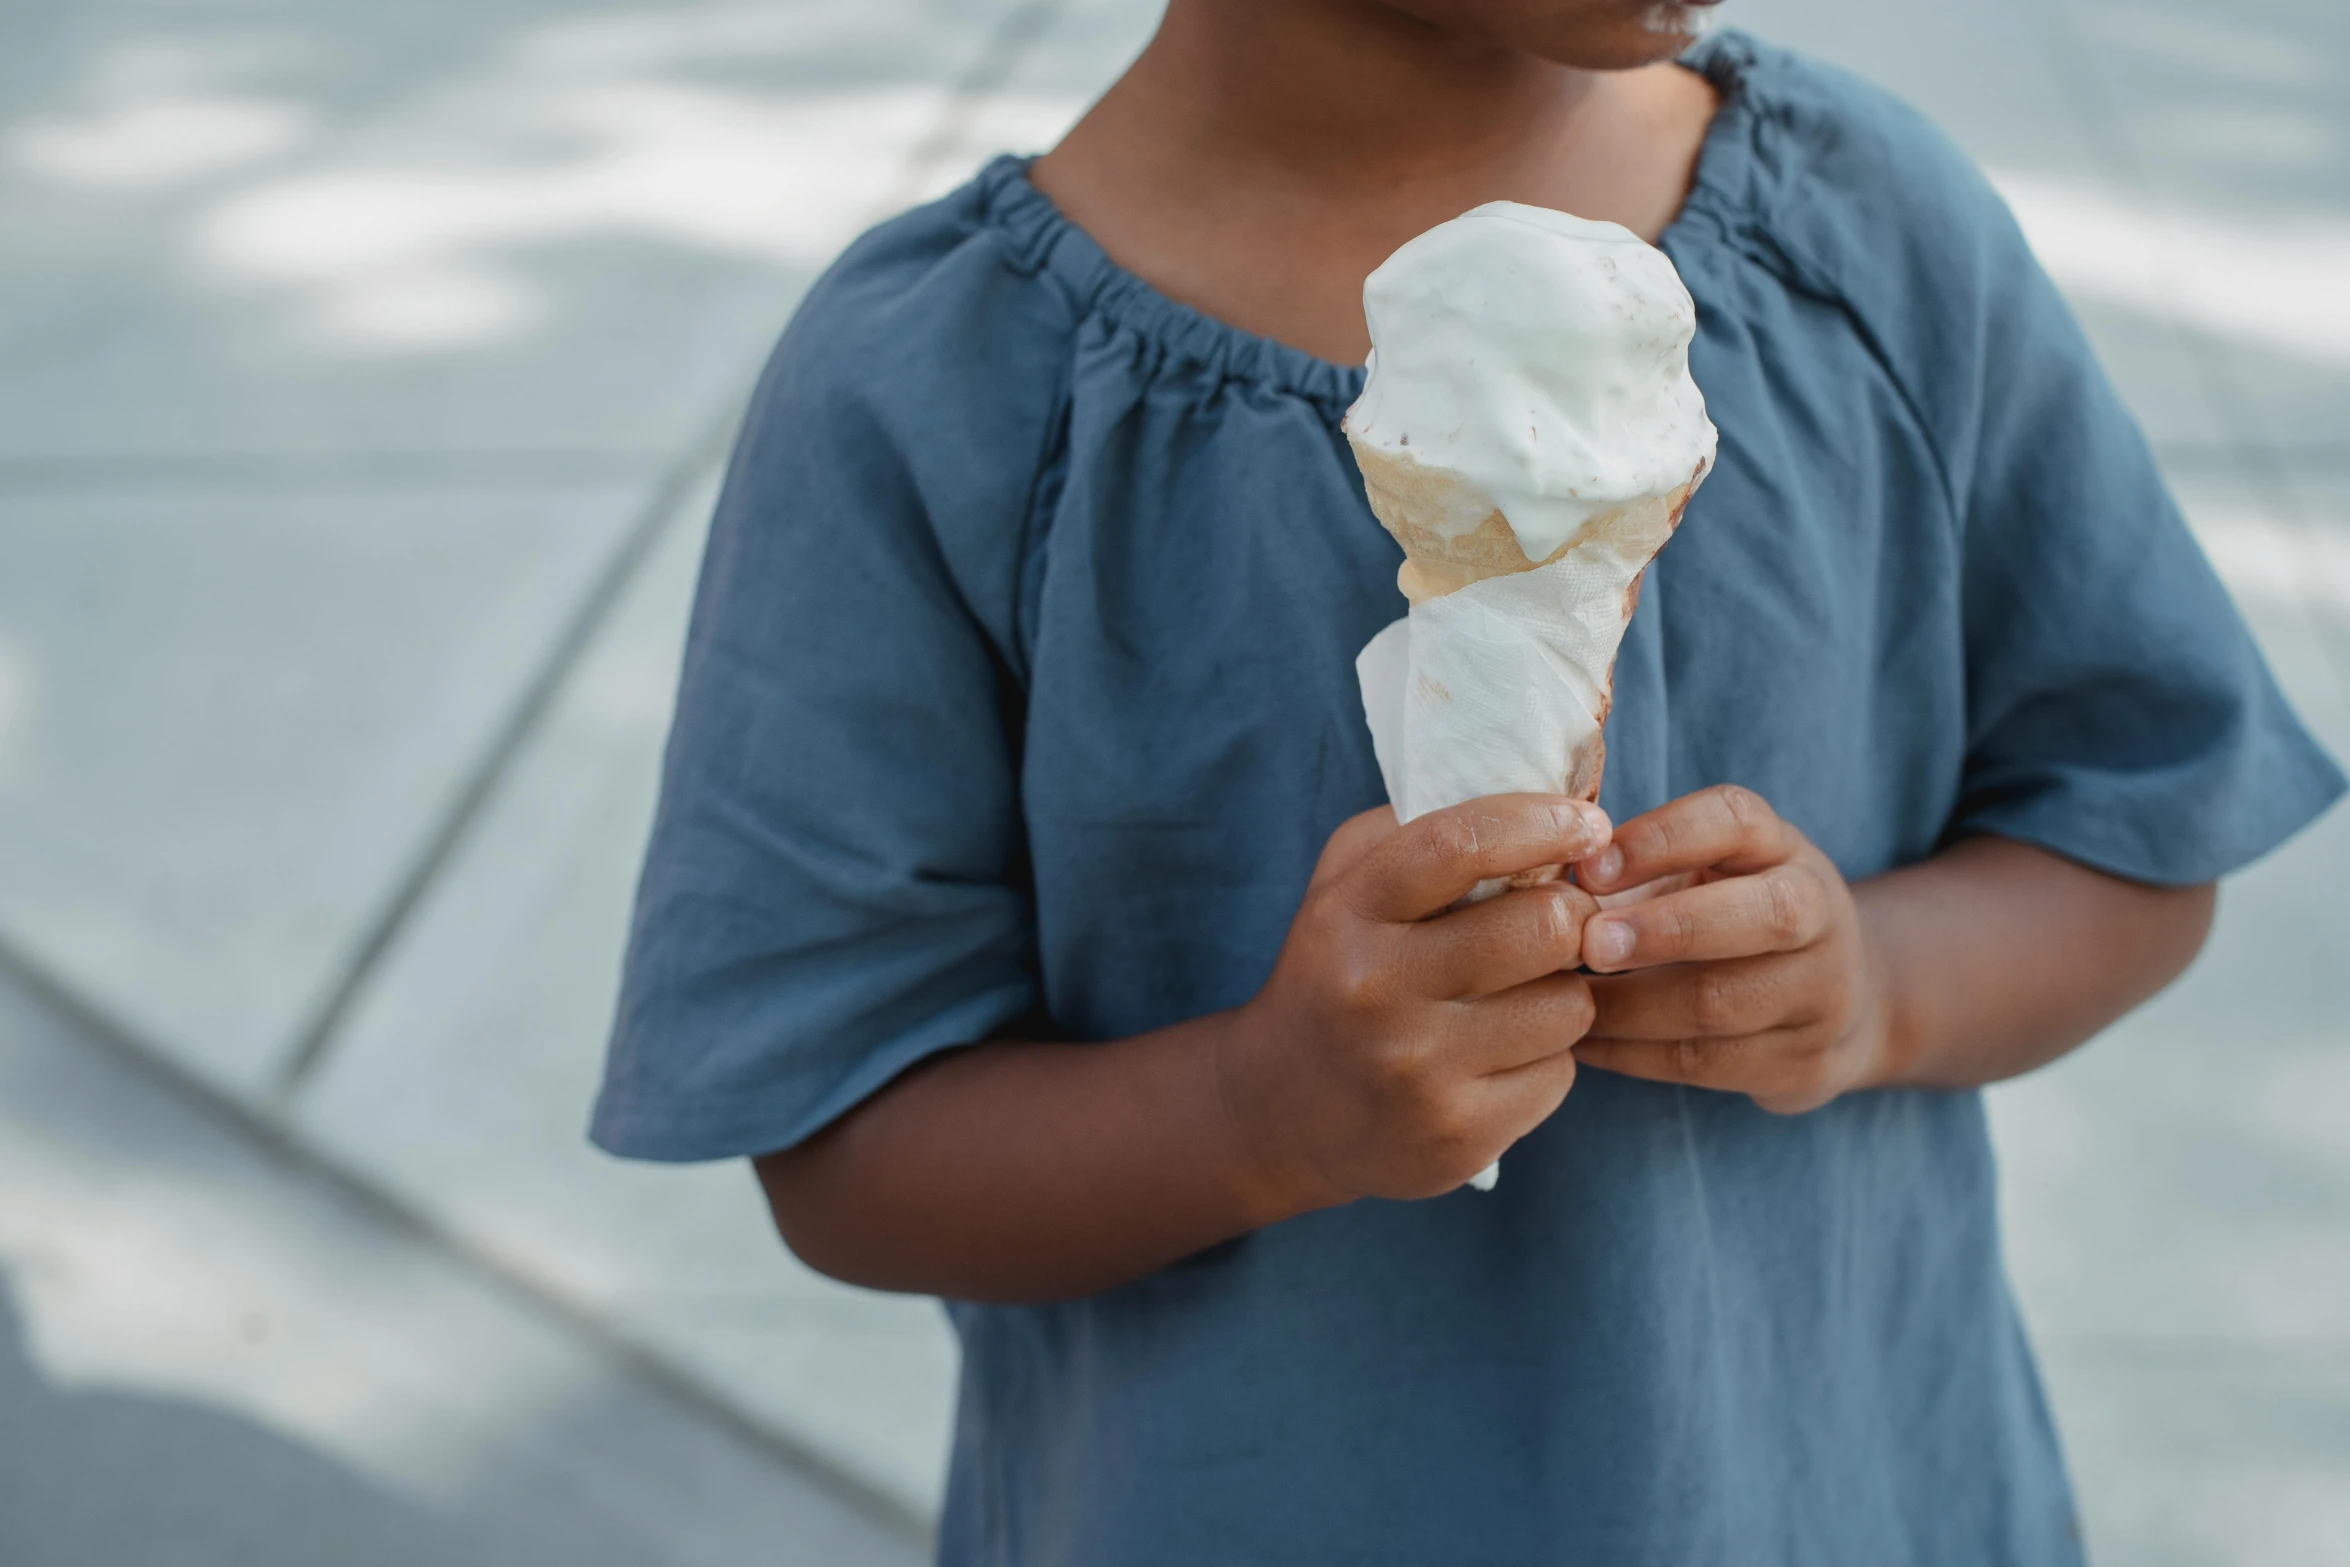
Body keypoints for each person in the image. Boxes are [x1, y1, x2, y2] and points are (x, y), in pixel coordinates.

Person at [590, 1, 2345, 1561]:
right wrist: (1258, 1112)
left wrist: (1871, 988)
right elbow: (838, 1147)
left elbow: (2130, 844)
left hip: (1845, 1488)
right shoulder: (935, 394)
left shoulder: (1867, 235)